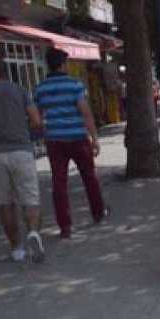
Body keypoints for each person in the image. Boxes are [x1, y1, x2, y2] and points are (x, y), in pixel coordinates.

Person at [0, 49, 46, 262]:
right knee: (30, 199)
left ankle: (16, 248)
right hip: (22, 151)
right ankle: (34, 232)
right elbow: (36, 121)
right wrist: (27, 134)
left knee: (5, 203)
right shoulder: (17, 89)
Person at [34, 48, 108, 239]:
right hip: (77, 138)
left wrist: (46, 134)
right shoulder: (75, 85)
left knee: (59, 183)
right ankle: (98, 212)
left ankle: (65, 226)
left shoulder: (40, 89)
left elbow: (39, 117)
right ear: (62, 64)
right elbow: (85, 112)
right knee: (89, 177)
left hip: (55, 141)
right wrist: (94, 138)